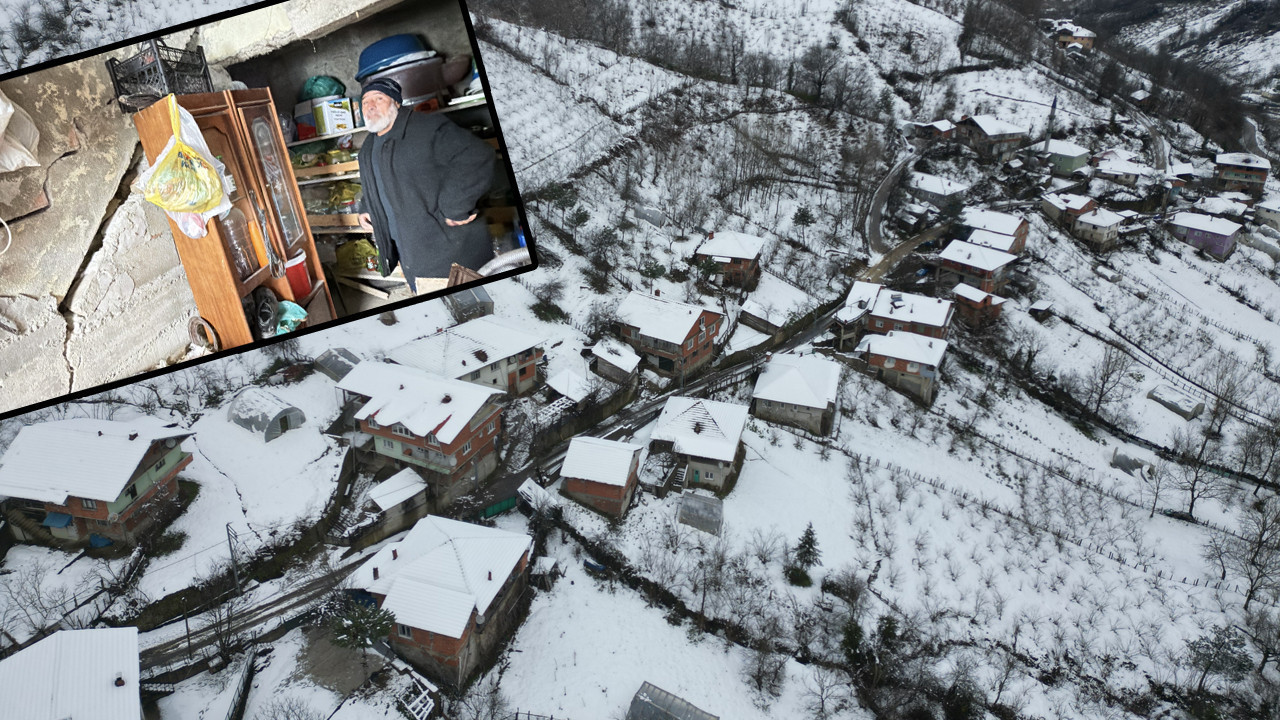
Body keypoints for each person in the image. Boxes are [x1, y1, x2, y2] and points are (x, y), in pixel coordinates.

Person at [356, 78, 496, 293]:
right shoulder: (368, 146)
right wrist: (366, 207)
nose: (370, 106)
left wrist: (455, 206)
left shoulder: (427, 127)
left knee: (468, 303)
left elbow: (476, 156)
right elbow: (376, 179)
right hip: (409, 252)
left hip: (448, 252)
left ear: (396, 103)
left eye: (379, 98)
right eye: (365, 102)